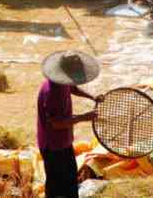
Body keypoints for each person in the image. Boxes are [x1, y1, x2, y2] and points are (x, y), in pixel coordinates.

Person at [38, 50, 103, 198]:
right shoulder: (52, 93)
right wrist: (83, 117)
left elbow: (72, 88)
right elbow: (56, 124)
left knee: (69, 179)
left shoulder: (62, 82)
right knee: (57, 184)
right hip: (53, 145)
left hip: (63, 141)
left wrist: (92, 97)